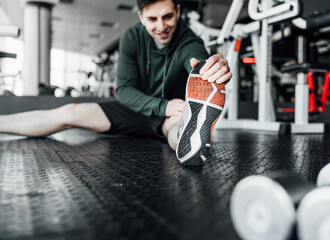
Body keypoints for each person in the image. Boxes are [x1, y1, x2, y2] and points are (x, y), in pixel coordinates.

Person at [0, 0, 232, 166]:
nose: (161, 26)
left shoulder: (189, 40)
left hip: (173, 111)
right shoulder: (132, 37)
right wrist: (162, 106)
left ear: (178, 11)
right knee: (69, 112)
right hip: (136, 108)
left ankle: (189, 148)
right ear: (141, 17)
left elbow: (196, 60)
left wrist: (209, 68)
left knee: (176, 128)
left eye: (167, 16)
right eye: (152, 19)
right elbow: (124, 90)